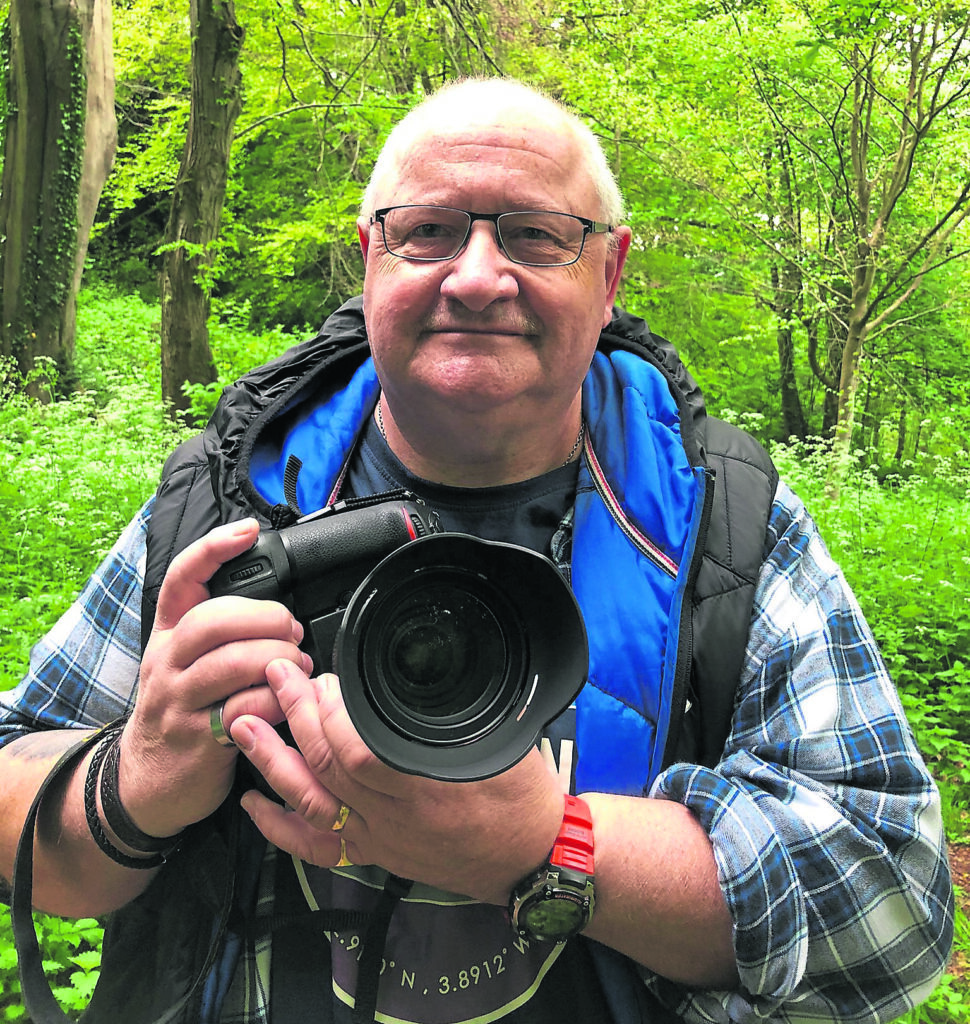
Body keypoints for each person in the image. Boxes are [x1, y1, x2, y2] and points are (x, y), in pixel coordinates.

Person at [0, 77, 953, 1024]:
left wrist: (551, 848)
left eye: (537, 234)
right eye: (429, 230)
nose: (478, 275)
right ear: (370, 256)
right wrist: (134, 780)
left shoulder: (723, 526)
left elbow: (899, 912)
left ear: (610, 273)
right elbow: (17, 803)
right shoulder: (232, 497)